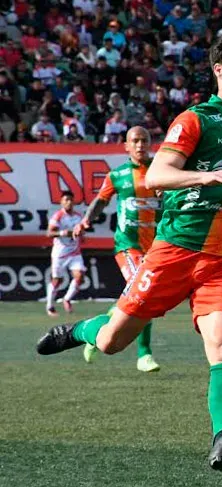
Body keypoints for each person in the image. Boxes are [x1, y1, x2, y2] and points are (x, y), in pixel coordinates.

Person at [36, 30, 222, 471]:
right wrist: (208, 178)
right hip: (174, 253)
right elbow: (158, 176)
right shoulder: (194, 121)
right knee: (111, 342)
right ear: (219, 70)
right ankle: (78, 331)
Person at [72, 126, 162, 373]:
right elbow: (101, 200)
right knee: (144, 292)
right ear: (126, 146)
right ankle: (144, 355)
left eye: (144, 140)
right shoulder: (118, 175)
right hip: (128, 246)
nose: (140, 145)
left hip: (157, 247)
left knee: (142, 296)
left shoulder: (161, 172)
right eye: (135, 141)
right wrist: (85, 221)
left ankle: (99, 329)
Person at [45, 191, 86, 317]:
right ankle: (50, 306)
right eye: (66, 200)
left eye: (70, 200)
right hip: (60, 253)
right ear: (61, 202)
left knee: (80, 276)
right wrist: (64, 233)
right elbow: (49, 233)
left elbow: (82, 232)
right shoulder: (58, 216)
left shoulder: (79, 216)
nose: (68, 202)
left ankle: (67, 299)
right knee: (57, 280)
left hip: (74, 252)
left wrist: (81, 236)